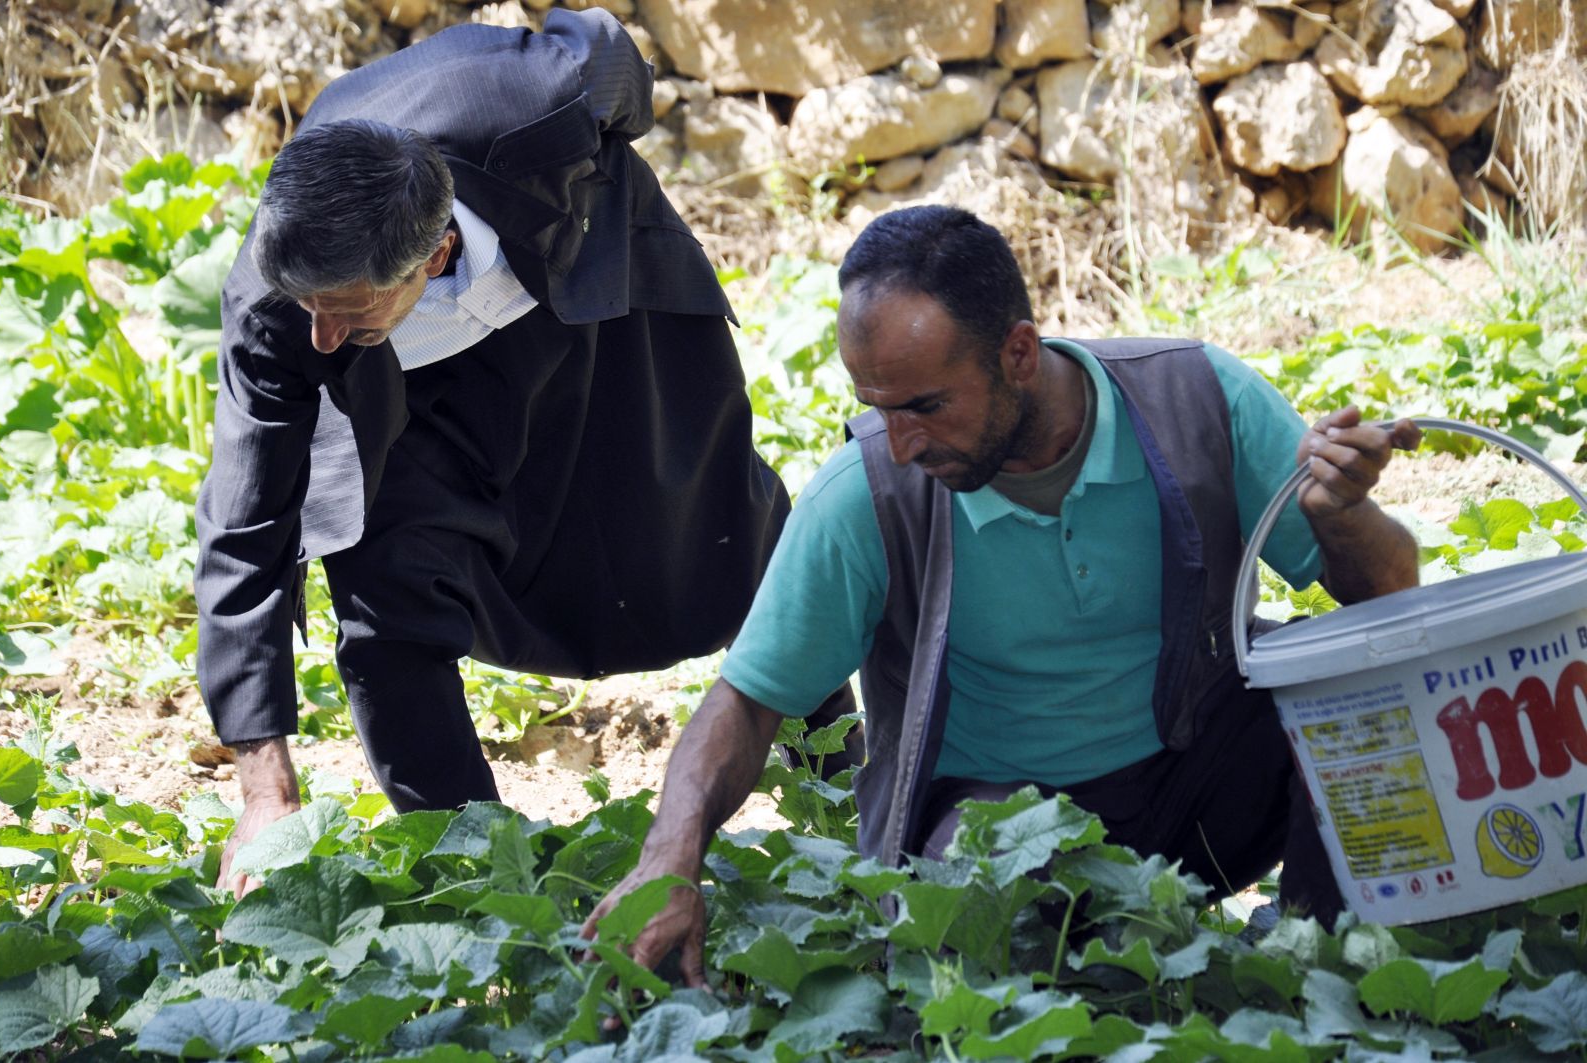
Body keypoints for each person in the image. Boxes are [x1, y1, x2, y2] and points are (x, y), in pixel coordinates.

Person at [585, 205, 1422, 984]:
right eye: (878, 408)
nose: (901, 443)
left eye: (925, 406)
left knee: (1358, 694)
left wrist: (1340, 515)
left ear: (1018, 354)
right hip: (996, 831)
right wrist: (670, 858)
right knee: (979, 913)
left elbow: (1389, 592)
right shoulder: (866, 494)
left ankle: (1318, 968)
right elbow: (745, 702)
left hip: (1201, 787)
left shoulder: (1198, 401)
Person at [196, 8, 851, 897]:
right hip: (414, 397)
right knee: (383, 594)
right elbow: (245, 523)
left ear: (434, 255)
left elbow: (614, 59)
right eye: (308, 309)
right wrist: (264, 789)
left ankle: (850, 792)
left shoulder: (538, 106)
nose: (318, 335)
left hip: (591, 317)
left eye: (343, 311)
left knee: (724, 529)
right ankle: (482, 876)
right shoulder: (284, 306)